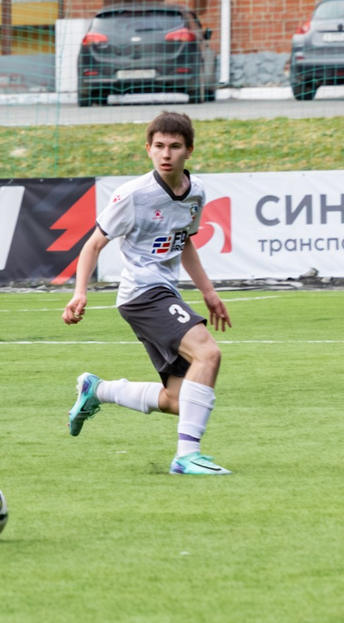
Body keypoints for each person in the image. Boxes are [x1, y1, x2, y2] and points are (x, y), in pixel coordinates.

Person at [62, 111, 234, 476]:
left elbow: (184, 242)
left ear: (189, 150)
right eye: (159, 146)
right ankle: (187, 456)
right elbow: (92, 245)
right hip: (143, 293)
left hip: (163, 293)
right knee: (208, 353)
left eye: (174, 146)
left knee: (177, 400)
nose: (166, 154)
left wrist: (209, 293)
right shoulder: (133, 195)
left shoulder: (197, 191)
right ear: (148, 149)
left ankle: (98, 390)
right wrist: (80, 293)